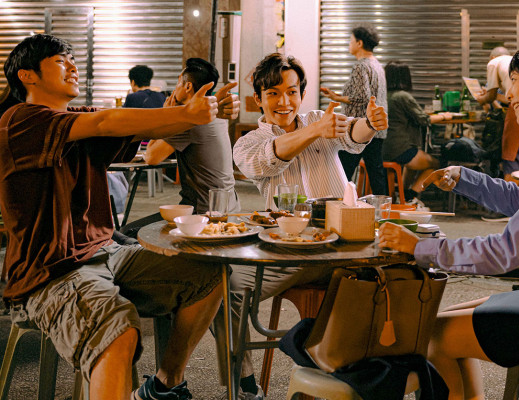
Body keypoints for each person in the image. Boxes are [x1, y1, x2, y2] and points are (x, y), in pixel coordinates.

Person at [0, 34, 239, 400]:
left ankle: (164, 383)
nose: (73, 67)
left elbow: (142, 128)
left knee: (209, 271)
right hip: (51, 271)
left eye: (73, 59)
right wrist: (186, 113)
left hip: (106, 252)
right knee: (118, 328)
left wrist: (201, 111)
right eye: (61, 61)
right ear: (27, 75)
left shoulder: (77, 117)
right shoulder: (20, 120)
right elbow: (105, 122)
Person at [378, 42, 519, 400]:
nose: (508, 94)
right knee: (440, 321)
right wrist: (463, 177)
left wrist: (421, 247)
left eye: (515, 80)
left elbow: (505, 251)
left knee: (433, 335)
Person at [231, 52, 388, 398]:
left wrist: (370, 123)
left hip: (343, 249)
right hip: (288, 256)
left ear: (302, 93)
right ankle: (246, 383)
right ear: (258, 98)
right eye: (273, 93)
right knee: (224, 288)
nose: (284, 102)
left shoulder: (321, 119)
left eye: (292, 92)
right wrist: (315, 130)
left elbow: (352, 134)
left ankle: (371, 373)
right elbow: (270, 158)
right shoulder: (248, 144)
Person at [143, 58, 240, 216]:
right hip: (229, 206)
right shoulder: (214, 114)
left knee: (134, 229)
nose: (175, 88)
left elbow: (151, 157)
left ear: (187, 86)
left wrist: (166, 114)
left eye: (178, 82)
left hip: (204, 211)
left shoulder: (190, 120)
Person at [320, 24, 388, 195]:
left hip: (358, 129)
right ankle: (383, 207)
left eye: (351, 41)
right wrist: (336, 96)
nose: (349, 44)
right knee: (376, 174)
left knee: (342, 173)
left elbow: (361, 97)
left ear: (359, 43)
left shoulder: (360, 66)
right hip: (376, 129)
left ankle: (337, 204)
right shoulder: (377, 65)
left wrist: (337, 99)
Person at [382, 61, 452, 205]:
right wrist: (445, 116)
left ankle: (403, 195)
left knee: (414, 162)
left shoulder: (381, 95)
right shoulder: (402, 96)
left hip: (381, 148)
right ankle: (411, 196)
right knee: (435, 164)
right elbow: (424, 119)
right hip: (398, 149)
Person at [474, 47, 519, 184]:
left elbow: (490, 97)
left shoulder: (493, 63)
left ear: (492, 58)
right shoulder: (517, 62)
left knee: (512, 156)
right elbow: (508, 97)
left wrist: (480, 99)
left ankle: (509, 196)